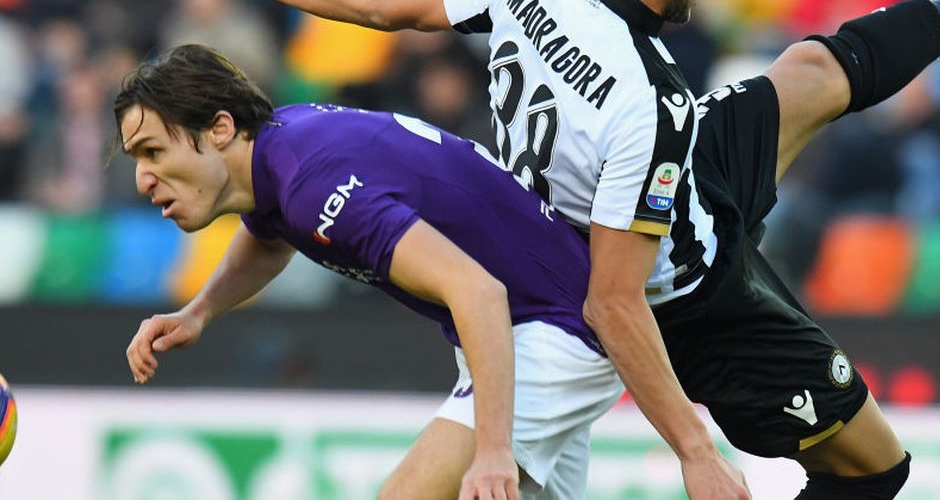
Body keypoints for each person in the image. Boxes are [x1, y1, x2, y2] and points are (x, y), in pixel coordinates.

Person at [158, 0, 940, 499]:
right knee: (874, 471)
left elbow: (390, 0)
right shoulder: (647, 103)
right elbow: (616, 303)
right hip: (687, 292)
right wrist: (695, 450)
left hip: (679, 178)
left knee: (810, 73)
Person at [118, 44, 624, 500]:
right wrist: (198, 313)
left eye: (153, 152)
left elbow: (478, 291)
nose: (142, 178)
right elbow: (269, 235)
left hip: (548, 329)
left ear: (220, 128)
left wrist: (492, 449)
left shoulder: (314, 188)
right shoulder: (280, 153)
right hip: (526, 324)